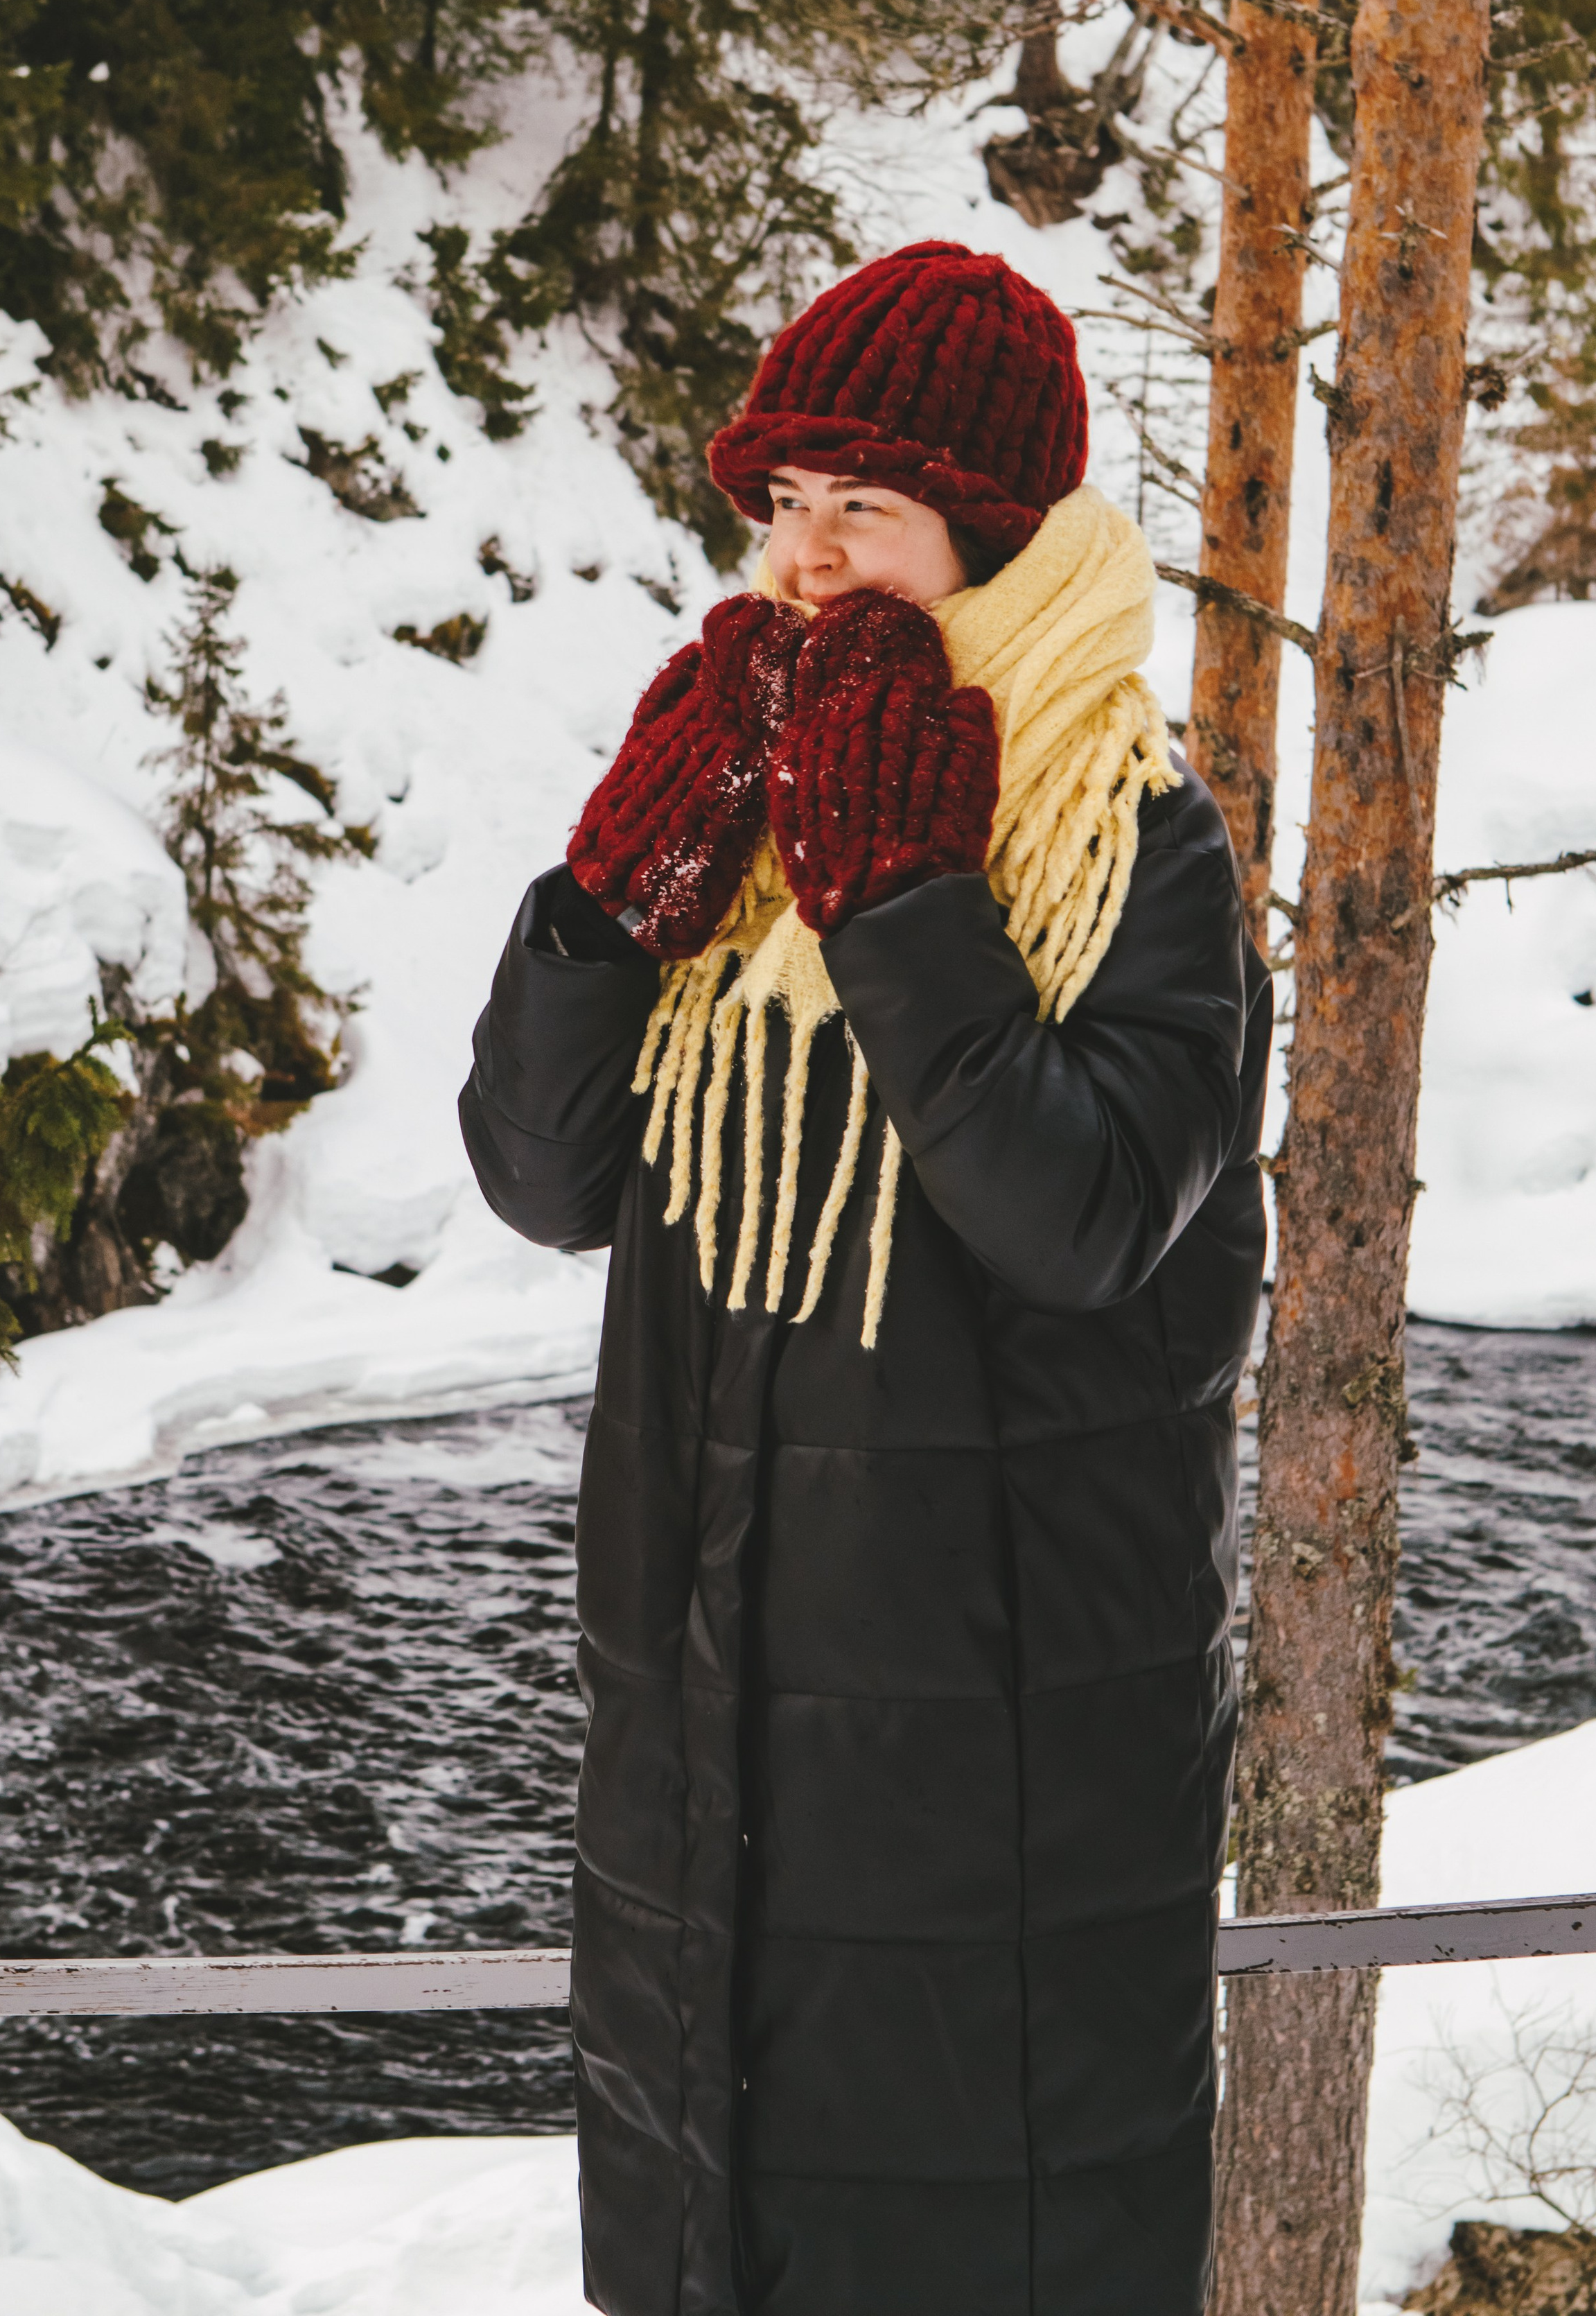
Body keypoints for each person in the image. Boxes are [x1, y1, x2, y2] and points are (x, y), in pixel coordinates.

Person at [460, 239, 1270, 2316]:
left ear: (986, 533)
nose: (809, 562)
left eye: (868, 512)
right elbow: (547, 1186)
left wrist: (901, 887)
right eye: (781, 507)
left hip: (985, 1828)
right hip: (698, 1786)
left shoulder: (1134, 851)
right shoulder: (744, 822)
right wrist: (618, 895)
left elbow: (1079, 1216)